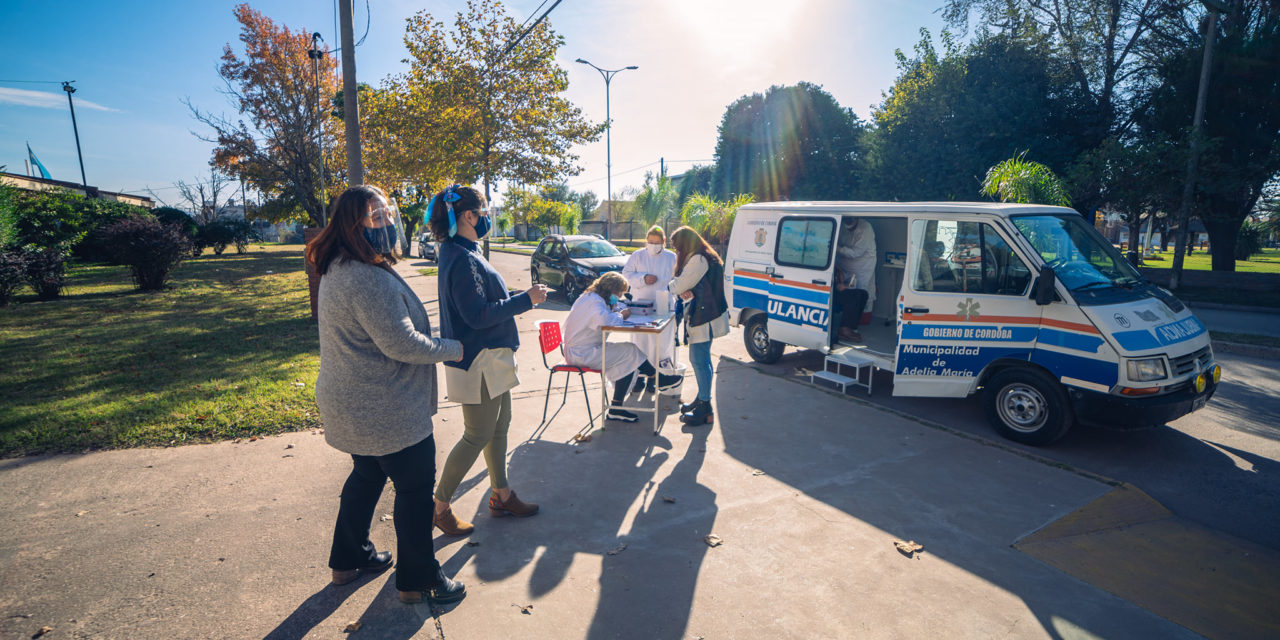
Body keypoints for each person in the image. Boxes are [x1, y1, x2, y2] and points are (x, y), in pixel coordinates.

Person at [307, 185, 466, 606]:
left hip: (354, 404)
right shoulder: (365, 277)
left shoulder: (340, 265)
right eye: (376, 218)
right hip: (385, 409)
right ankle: (419, 579)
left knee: (367, 475)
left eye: (387, 214)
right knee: (414, 491)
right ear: (352, 225)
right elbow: (404, 344)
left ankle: (349, 557)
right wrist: (455, 348)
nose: (388, 223)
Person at [430, 184, 548, 537]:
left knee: (500, 425)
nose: (486, 219)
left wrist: (516, 297)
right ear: (468, 216)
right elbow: (478, 315)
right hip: (478, 361)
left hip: (491, 359)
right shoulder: (460, 256)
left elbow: (485, 300)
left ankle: (502, 494)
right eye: (483, 213)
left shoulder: (465, 250)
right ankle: (439, 506)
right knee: (477, 433)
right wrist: (525, 300)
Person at [562, 272, 683, 423]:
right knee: (630, 351)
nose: (619, 296)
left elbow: (611, 308)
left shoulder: (594, 297)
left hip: (585, 349)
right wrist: (621, 316)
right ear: (610, 290)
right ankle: (659, 379)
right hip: (581, 353)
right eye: (619, 293)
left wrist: (620, 308)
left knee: (628, 359)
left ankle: (616, 409)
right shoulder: (593, 302)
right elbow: (603, 321)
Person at [668, 226, 729, 426]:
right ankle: (703, 399)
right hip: (706, 314)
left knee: (699, 361)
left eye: (677, 248)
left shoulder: (698, 259)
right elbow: (690, 285)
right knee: (703, 361)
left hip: (704, 317)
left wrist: (675, 287)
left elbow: (677, 285)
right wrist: (687, 289)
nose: (677, 252)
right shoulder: (704, 256)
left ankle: (705, 407)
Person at [620, 225, 678, 389]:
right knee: (640, 343)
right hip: (641, 307)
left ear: (664, 241)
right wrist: (643, 278)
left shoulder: (671, 257)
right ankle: (639, 377)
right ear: (646, 241)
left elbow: (679, 278)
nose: (653, 245)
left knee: (660, 345)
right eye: (650, 242)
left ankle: (656, 378)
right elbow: (626, 275)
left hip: (663, 307)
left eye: (657, 242)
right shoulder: (638, 256)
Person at [833, 217, 877, 343]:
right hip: (831, 289)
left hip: (856, 271)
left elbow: (855, 253)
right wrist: (839, 285)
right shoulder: (831, 263)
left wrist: (842, 285)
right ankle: (844, 329)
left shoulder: (865, 228)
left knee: (862, 294)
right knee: (854, 296)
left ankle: (850, 328)